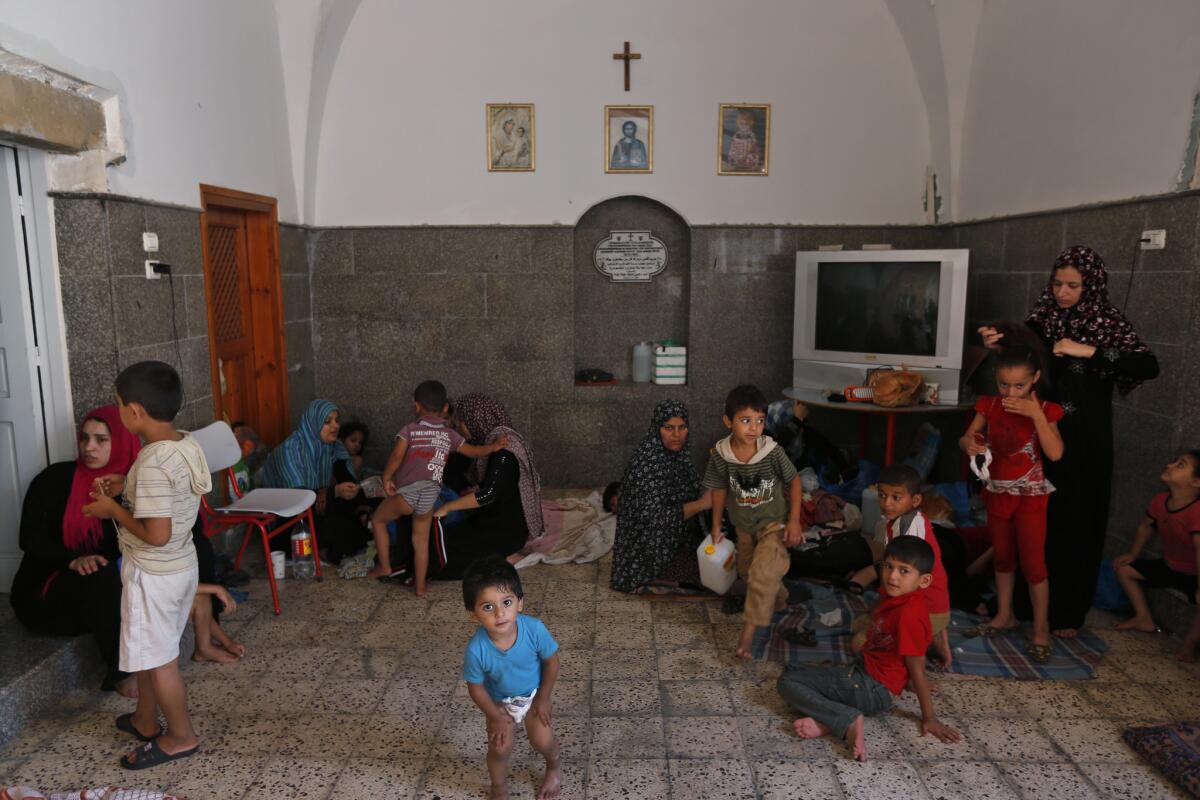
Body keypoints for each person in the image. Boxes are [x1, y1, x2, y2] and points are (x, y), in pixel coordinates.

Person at [980, 245, 1158, 637]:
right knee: (1037, 523)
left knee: (1076, 521)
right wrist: (999, 344)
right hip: (1038, 432)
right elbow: (1023, 357)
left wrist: (1089, 350)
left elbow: (1148, 365)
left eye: (1073, 286)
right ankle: (1023, 608)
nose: (1063, 293)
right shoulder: (1043, 320)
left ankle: (1066, 614)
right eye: (1058, 284)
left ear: (1090, 286)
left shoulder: (1107, 322)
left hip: (1086, 440)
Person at [82, 361, 211, 769]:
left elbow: (155, 533)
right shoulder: (182, 443)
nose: (119, 411)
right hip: (180, 567)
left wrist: (113, 509)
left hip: (153, 573)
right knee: (153, 652)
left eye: (119, 405)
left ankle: (179, 736)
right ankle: (144, 720)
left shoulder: (153, 463)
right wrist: (128, 485)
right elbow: (168, 493)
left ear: (134, 412)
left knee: (159, 662)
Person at [777, 537, 961, 761]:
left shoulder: (909, 615)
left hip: (870, 688)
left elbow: (917, 667)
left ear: (923, 581)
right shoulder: (897, 596)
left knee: (788, 682)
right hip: (864, 676)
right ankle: (826, 723)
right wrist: (904, 681)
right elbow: (897, 655)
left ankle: (846, 719)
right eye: (889, 566)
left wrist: (929, 717)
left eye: (904, 571)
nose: (892, 576)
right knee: (794, 667)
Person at [11, 405, 140, 696]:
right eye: (84, 438)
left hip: (103, 595)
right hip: (47, 594)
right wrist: (72, 560)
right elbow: (29, 539)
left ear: (121, 441)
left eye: (101, 439)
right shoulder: (54, 479)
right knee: (102, 573)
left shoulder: (130, 487)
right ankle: (122, 674)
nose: (89, 447)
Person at [959, 342, 1064, 664]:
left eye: (1020, 385)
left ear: (1035, 379)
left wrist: (1036, 416)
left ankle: (1041, 628)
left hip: (1031, 499)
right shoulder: (988, 406)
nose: (1011, 391)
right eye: (1005, 384)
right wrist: (970, 445)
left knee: (1034, 564)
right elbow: (967, 437)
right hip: (998, 494)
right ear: (995, 379)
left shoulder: (1046, 409)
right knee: (1002, 557)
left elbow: (1055, 453)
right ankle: (1005, 615)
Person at [368, 381, 507, 594]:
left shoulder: (409, 431)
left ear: (416, 406)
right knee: (421, 541)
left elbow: (396, 456)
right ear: (444, 409)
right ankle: (421, 586)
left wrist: (387, 478)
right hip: (430, 496)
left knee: (378, 519)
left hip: (407, 496)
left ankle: (385, 566)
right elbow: (472, 451)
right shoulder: (449, 435)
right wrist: (493, 446)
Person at [704, 385, 805, 660]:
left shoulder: (771, 452)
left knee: (761, 575)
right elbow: (719, 490)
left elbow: (794, 481)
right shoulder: (721, 455)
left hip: (774, 525)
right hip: (743, 528)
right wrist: (716, 525)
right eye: (745, 420)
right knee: (750, 573)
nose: (753, 428)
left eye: (760, 421)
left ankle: (746, 641)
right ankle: (780, 599)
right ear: (728, 422)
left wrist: (794, 521)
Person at [462, 556, 561, 800]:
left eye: (506, 602)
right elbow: (475, 687)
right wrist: (494, 716)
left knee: (543, 742)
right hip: (499, 703)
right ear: (473, 614)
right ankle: (498, 788)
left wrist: (544, 698)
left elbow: (552, 661)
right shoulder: (476, 649)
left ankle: (554, 767)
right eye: (487, 607)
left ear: (520, 603)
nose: (499, 613)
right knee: (499, 748)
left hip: (535, 695)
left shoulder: (535, 629)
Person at [844, 465, 953, 668]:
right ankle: (933, 633)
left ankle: (925, 641)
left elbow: (908, 588)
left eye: (896, 497)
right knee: (860, 623)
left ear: (916, 500)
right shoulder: (897, 521)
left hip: (922, 607)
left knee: (859, 646)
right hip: (913, 600)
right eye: (882, 495)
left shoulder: (912, 529)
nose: (887, 503)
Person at [427, 394, 544, 579]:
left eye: (461, 422)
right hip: (491, 520)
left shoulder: (505, 452)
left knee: (442, 560)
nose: (460, 428)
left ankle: (504, 557)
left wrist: (447, 507)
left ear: (476, 420)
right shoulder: (492, 442)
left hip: (505, 531)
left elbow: (488, 494)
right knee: (440, 541)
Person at [610, 400, 712, 594]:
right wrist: (701, 504)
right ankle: (660, 576)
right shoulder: (646, 464)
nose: (676, 435)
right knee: (710, 578)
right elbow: (655, 518)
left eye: (682, 427)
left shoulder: (680, 456)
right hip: (649, 552)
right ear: (657, 429)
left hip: (676, 539)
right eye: (669, 428)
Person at [1112, 450, 1200, 662]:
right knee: (1123, 569)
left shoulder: (1196, 512)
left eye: (1181, 465)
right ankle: (1144, 618)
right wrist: (1133, 554)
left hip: (1193, 573)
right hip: (1170, 566)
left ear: (1196, 482)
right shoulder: (1160, 501)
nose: (1170, 465)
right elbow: (1145, 527)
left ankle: (1190, 642)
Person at [257, 399, 365, 564]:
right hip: (288, 521)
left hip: (315, 510)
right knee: (339, 529)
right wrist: (335, 492)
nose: (335, 426)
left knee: (361, 524)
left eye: (337, 420)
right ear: (312, 423)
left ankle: (328, 549)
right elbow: (297, 500)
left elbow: (346, 478)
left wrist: (357, 494)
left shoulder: (333, 447)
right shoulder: (291, 450)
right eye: (327, 422)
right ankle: (325, 551)